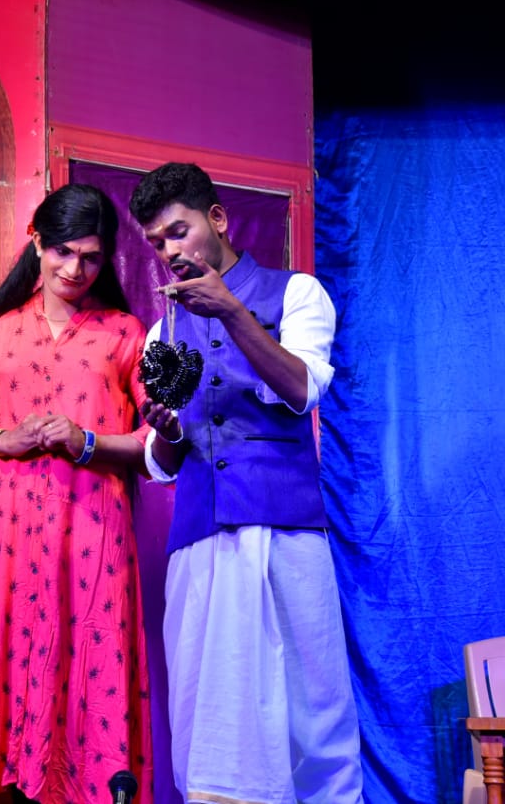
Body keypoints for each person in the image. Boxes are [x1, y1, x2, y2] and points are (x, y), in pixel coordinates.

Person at [129, 162, 362, 804]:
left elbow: (302, 388)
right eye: (156, 242)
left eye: (179, 232)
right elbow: (161, 461)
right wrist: (166, 432)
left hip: (285, 533)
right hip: (201, 541)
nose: (169, 252)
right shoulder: (162, 333)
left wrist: (232, 311)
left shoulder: (297, 294)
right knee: (208, 714)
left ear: (218, 219)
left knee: (310, 710)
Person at [0, 184, 153, 804]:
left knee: (95, 660)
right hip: (14, 532)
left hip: (95, 530)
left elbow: (157, 442)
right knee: (14, 653)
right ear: (37, 242)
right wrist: (5, 440)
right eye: (64, 252)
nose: (76, 269)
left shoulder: (125, 333)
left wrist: (88, 442)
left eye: (91, 257)